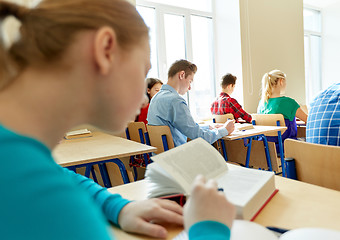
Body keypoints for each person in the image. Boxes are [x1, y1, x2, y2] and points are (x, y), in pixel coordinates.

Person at [0, 0, 235, 239]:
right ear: (105, 50)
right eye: (143, 72)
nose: (145, 101)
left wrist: (118, 206)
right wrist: (209, 229)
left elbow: (58, 174)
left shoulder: (20, 160)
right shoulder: (46, 198)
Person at [147, 59, 235, 147]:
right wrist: (225, 130)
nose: (190, 88)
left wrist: (208, 127)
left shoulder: (155, 98)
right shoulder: (175, 101)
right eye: (190, 81)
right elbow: (200, 137)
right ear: (182, 75)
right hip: (177, 157)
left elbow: (186, 129)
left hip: (159, 157)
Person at [257, 70, 308, 151]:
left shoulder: (261, 104)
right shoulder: (288, 102)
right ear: (281, 81)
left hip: (267, 148)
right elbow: (307, 120)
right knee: (308, 142)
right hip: (286, 147)